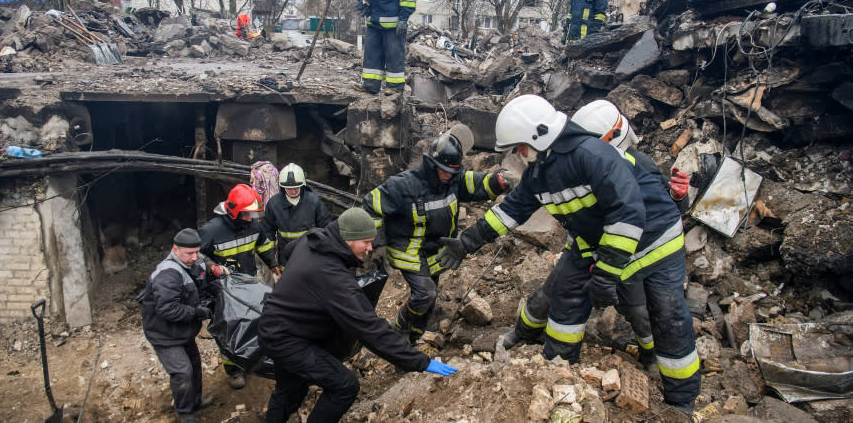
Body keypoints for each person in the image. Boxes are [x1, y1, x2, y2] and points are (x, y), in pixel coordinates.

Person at [436, 95, 701, 416]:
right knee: (565, 296)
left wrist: (605, 274)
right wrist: (466, 242)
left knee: (667, 316)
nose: (519, 154)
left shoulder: (592, 155)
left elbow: (627, 214)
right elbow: (510, 212)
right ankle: (559, 370)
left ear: (540, 134)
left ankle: (681, 401)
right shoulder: (539, 173)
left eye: (520, 146)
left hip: (656, 241)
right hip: (600, 243)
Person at [497, 100, 692, 370]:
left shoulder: (635, 161)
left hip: (627, 251)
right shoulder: (579, 161)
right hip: (585, 245)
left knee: (639, 312)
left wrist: (679, 196)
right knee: (550, 293)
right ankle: (523, 333)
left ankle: (652, 356)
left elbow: (659, 203)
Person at [257, 208, 457, 422]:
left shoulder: (313, 239)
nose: (370, 248)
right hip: (286, 339)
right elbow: (369, 328)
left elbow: (289, 249)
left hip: (274, 324)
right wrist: (420, 361)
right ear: (348, 239)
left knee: (290, 388)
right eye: (366, 242)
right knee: (344, 386)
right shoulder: (333, 278)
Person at [363, 132, 516, 342]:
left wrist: (500, 180)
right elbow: (372, 204)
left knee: (428, 302)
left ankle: (412, 339)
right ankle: (396, 332)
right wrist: (377, 243)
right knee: (426, 294)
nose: (448, 176)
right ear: (430, 164)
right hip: (409, 254)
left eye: (452, 172)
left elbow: (480, 184)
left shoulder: (454, 179)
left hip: (435, 253)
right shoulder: (403, 185)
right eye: (444, 171)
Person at [198, 183, 278, 389]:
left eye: (252, 215)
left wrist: (274, 265)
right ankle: (233, 369)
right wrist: (211, 266)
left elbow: (264, 246)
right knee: (228, 330)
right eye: (246, 214)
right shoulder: (211, 230)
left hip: (248, 285)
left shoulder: (253, 226)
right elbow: (196, 256)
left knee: (251, 323)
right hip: (223, 291)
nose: (250, 219)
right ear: (233, 212)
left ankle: (251, 359)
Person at [141, 229, 214, 423]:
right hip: (164, 334)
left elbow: (202, 264)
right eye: (190, 253)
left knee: (195, 366)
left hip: (182, 332)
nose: (195, 257)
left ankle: (195, 401)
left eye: (197, 252)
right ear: (175, 249)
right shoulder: (168, 274)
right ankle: (185, 412)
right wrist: (196, 312)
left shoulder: (190, 263)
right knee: (182, 372)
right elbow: (167, 309)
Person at [323, 0, 417, 95]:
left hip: (394, 23)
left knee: (394, 55)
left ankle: (395, 87)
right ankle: (370, 85)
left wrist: (404, 18)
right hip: (373, 20)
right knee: (372, 54)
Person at [262, 163, 333, 276]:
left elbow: (327, 229)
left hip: (310, 258)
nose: (293, 191)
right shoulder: (274, 204)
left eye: (296, 187)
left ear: (302, 185)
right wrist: (271, 261)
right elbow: (267, 233)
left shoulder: (314, 202)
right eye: (289, 188)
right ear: (282, 187)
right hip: (286, 259)